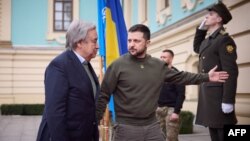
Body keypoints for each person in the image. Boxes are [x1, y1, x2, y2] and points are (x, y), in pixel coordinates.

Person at [96, 24, 229, 141]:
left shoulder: (158, 65)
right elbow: (104, 95)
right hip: (126, 128)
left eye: (136, 41)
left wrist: (206, 77)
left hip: (152, 126)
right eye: (129, 40)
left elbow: (181, 77)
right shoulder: (117, 65)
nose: (131, 44)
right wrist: (95, 122)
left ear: (147, 43)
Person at [36, 20, 100, 141]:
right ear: (80, 42)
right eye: (94, 41)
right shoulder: (59, 66)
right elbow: (55, 113)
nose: (98, 46)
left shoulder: (85, 65)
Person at [193, 1, 238, 141]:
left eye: (211, 14)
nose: (206, 16)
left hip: (219, 97)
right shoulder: (209, 40)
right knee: (214, 134)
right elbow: (197, 48)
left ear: (219, 19)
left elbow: (231, 71)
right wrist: (201, 30)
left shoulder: (224, 40)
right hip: (209, 96)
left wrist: (228, 100)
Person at [156, 49, 185, 141]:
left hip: (171, 110)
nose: (161, 59)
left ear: (171, 59)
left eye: (164, 57)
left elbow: (181, 95)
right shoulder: (156, 74)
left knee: (171, 138)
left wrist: (176, 112)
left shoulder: (177, 75)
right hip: (158, 109)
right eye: (160, 57)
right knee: (158, 137)